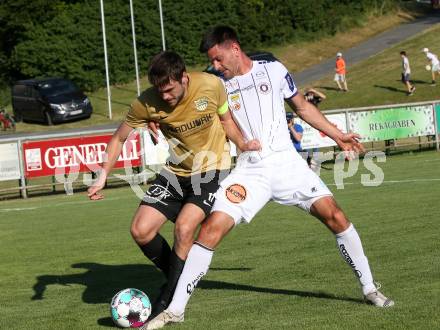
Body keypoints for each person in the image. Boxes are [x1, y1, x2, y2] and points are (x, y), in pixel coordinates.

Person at [145, 26, 394, 330]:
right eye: (212, 62)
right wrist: (151, 116)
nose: (216, 66)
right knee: (210, 230)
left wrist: (338, 135)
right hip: (249, 172)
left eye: (219, 59)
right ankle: (177, 309)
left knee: (337, 217)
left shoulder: (274, 71)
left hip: (288, 165)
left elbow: (302, 107)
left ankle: (369, 288)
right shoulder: (214, 86)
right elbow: (175, 96)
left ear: (234, 49)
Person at [87, 51, 259, 319]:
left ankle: (169, 298)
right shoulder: (146, 102)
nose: (164, 96)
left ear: (184, 78)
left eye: (169, 90)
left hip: (213, 169)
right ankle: (180, 277)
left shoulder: (211, 85)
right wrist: (102, 175)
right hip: (175, 172)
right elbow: (119, 138)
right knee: (141, 230)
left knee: (184, 227)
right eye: (159, 91)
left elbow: (226, 120)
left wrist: (244, 144)